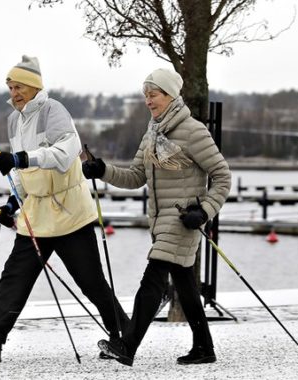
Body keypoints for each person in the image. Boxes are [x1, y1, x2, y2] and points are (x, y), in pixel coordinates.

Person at [0, 55, 130, 363]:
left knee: (90, 282)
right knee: (14, 277)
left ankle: (125, 337)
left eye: (19, 86)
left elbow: (64, 153)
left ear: (34, 87)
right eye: (10, 87)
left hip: (71, 213)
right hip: (36, 215)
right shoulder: (14, 119)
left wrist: (19, 158)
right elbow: (24, 175)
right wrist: (12, 203)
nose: (13, 93)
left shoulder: (53, 110)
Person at [85, 68, 231, 366]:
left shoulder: (193, 130)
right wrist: (102, 170)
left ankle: (127, 346)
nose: (148, 101)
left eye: (154, 95)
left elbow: (222, 176)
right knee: (185, 286)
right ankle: (204, 347)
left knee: (152, 280)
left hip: (182, 220)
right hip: (160, 219)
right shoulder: (152, 132)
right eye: (145, 96)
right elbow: (136, 175)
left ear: (170, 95)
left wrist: (204, 211)